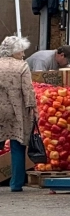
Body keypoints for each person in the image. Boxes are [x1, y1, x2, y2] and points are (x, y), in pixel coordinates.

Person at [0, 35, 37, 191]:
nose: (23, 55)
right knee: (17, 146)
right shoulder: (22, 66)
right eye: (21, 51)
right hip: (17, 111)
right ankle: (16, 185)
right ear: (13, 52)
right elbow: (27, 91)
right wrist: (33, 108)